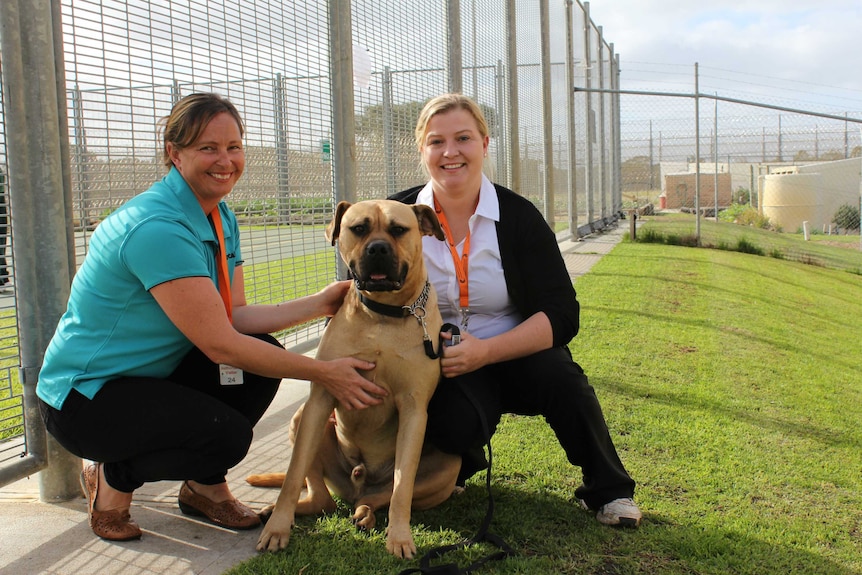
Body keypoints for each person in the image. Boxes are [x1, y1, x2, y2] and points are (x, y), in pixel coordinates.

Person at [37, 93, 386, 542]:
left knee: (260, 359)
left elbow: (234, 316)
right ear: (174, 153)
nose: (225, 160)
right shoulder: (156, 227)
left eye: (233, 146)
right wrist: (324, 373)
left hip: (152, 377)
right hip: (87, 400)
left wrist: (321, 301)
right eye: (208, 148)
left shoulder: (219, 215)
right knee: (227, 437)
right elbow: (219, 344)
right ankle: (113, 476)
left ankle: (202, 488)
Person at [389, 93, 642, 527]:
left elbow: (563, 312)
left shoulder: (519, 216)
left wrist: (487, 352)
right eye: (436, 142)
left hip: (513, 351)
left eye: (463, 138)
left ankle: (610, 491)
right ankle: (460, 466)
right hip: (442, 362)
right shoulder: (397, 214)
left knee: (562, 378)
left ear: (485, 145)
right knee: (452, 425)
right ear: (422, 151)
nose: (450, 152)